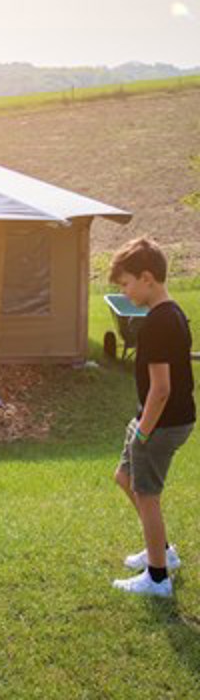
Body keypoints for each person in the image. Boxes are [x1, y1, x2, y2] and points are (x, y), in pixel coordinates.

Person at [109, 237, 195, 597]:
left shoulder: (159, 322)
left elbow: (161, 388)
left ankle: (157, 578)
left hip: (161, 422)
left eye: (126, 284)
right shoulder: (170, 313)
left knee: (147, 494)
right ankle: (163, 552)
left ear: (147, 278)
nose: (125, 292)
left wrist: (144, 432)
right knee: (125, 477)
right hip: (155, 418)